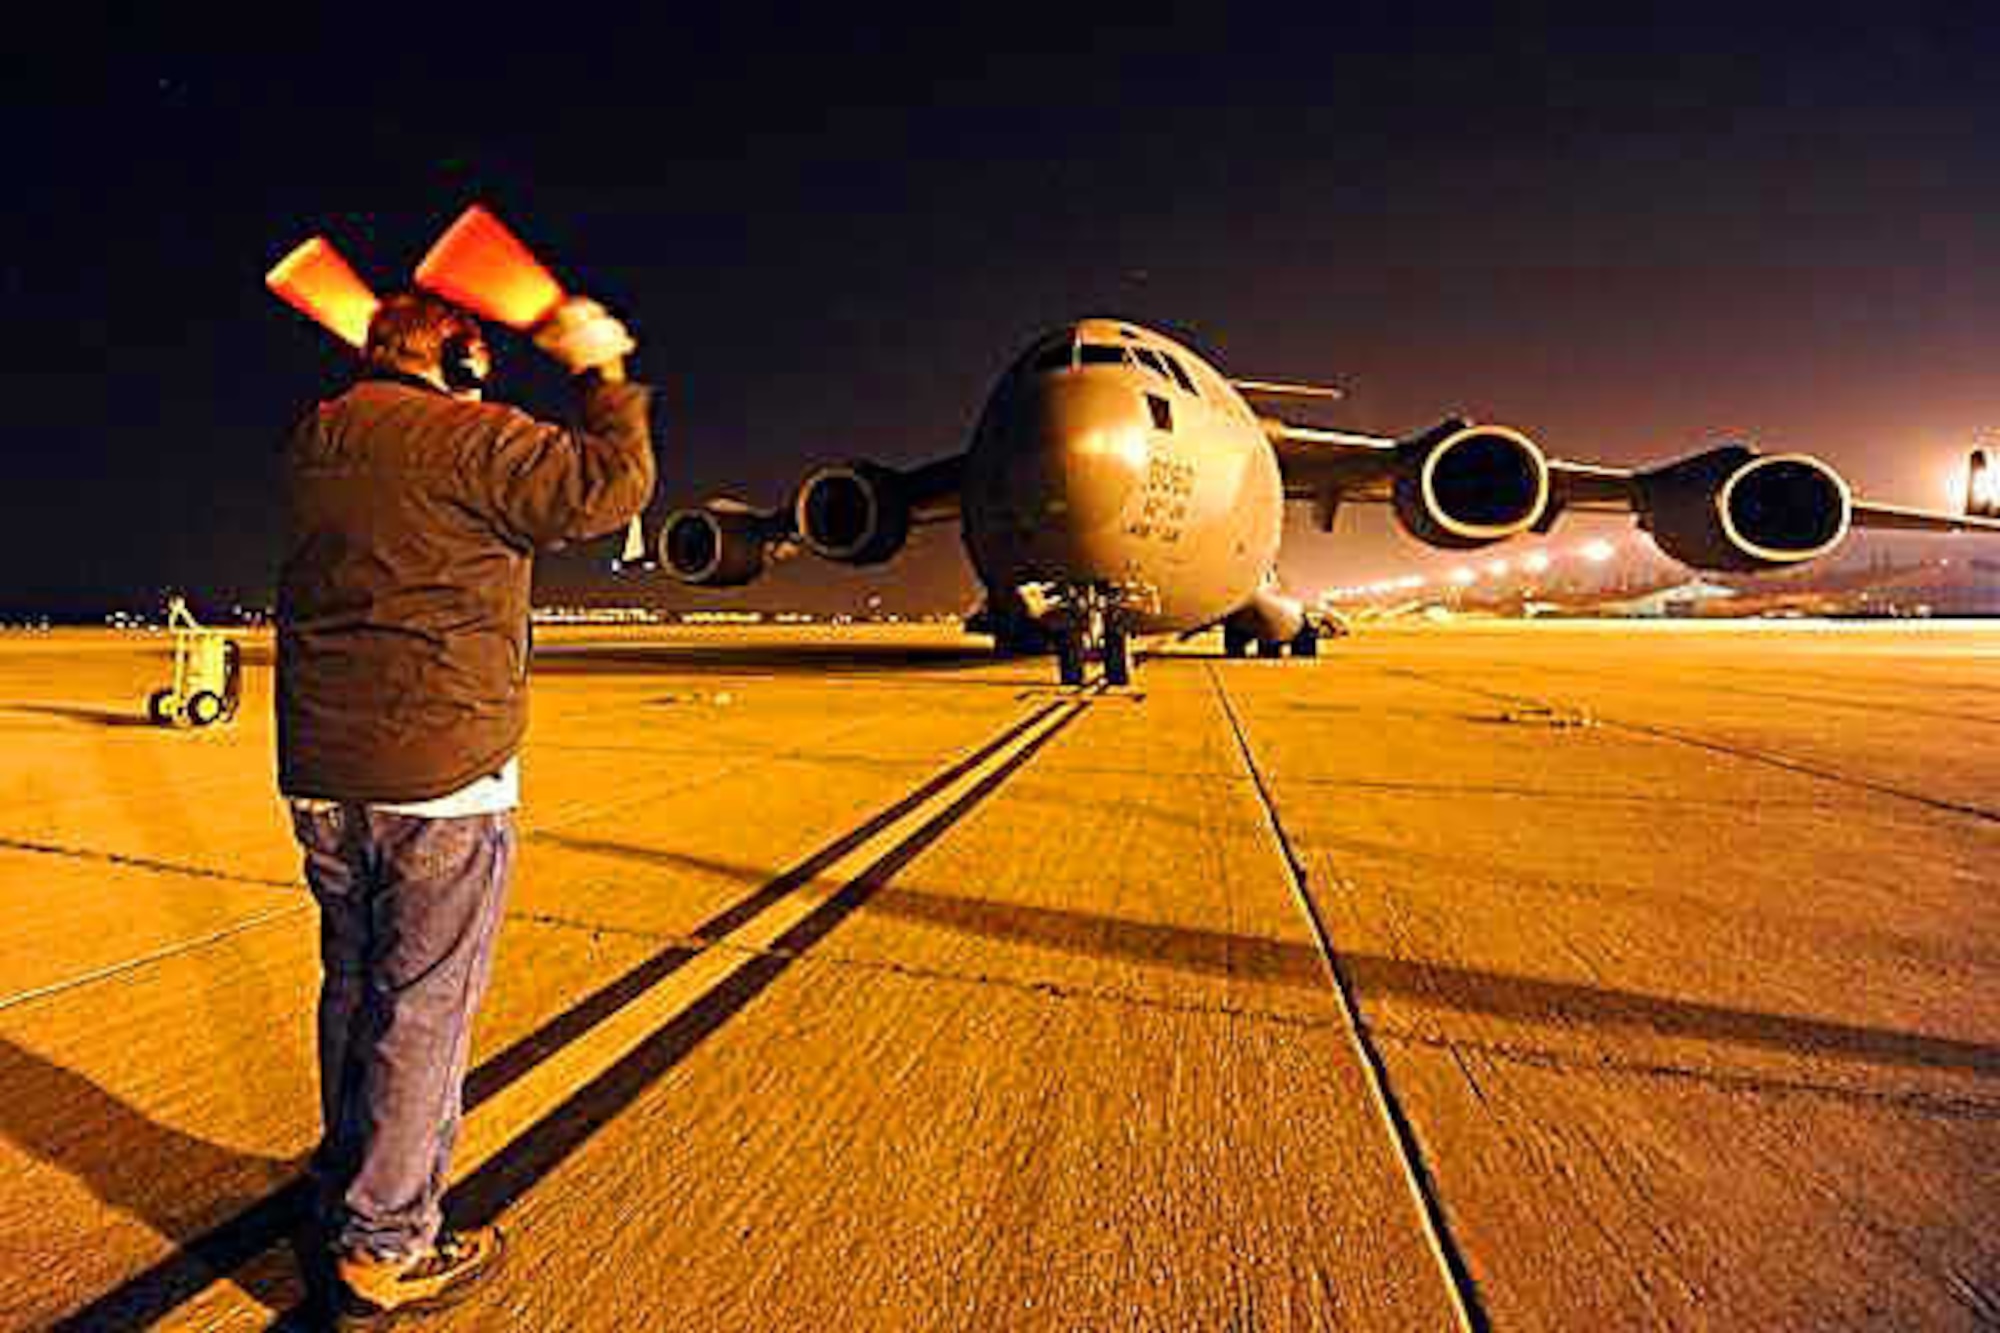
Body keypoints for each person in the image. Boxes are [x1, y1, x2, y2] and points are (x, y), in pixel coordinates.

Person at [276, 289, 652, 1324]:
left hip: (323, 770)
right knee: (424, 1007)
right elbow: (610, 488)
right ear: (461, 360)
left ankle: (347, 1177)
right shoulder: (476, 439)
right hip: (440, 774)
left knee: (352, 985)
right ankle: (386, 1243)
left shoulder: (317, 435)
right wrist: (601, 372)